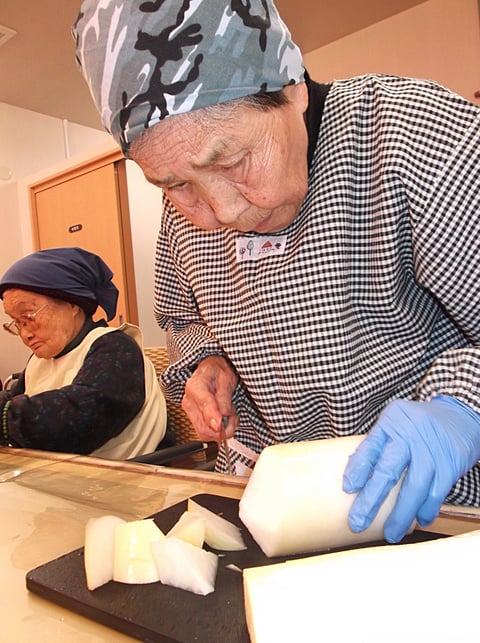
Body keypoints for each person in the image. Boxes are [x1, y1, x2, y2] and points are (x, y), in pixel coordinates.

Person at [73, 1, 480, 542]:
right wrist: (203, 363)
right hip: (271, 504)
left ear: (294, 89)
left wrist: (464, 406)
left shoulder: (412, 134)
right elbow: (180, 315)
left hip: (433, 509)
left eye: (233, 161)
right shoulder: (180, 214)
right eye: (175, 184)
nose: (221, 213)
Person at [0, 247, 167, 459]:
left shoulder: (114, 348)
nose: (25, 334)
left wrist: (6, 417)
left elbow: (80, 417)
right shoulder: (39, 360)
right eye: (17, 323)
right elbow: (14, 397)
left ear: (72, 303)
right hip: (62, 477)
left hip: (123, 481)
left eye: (29, 317)